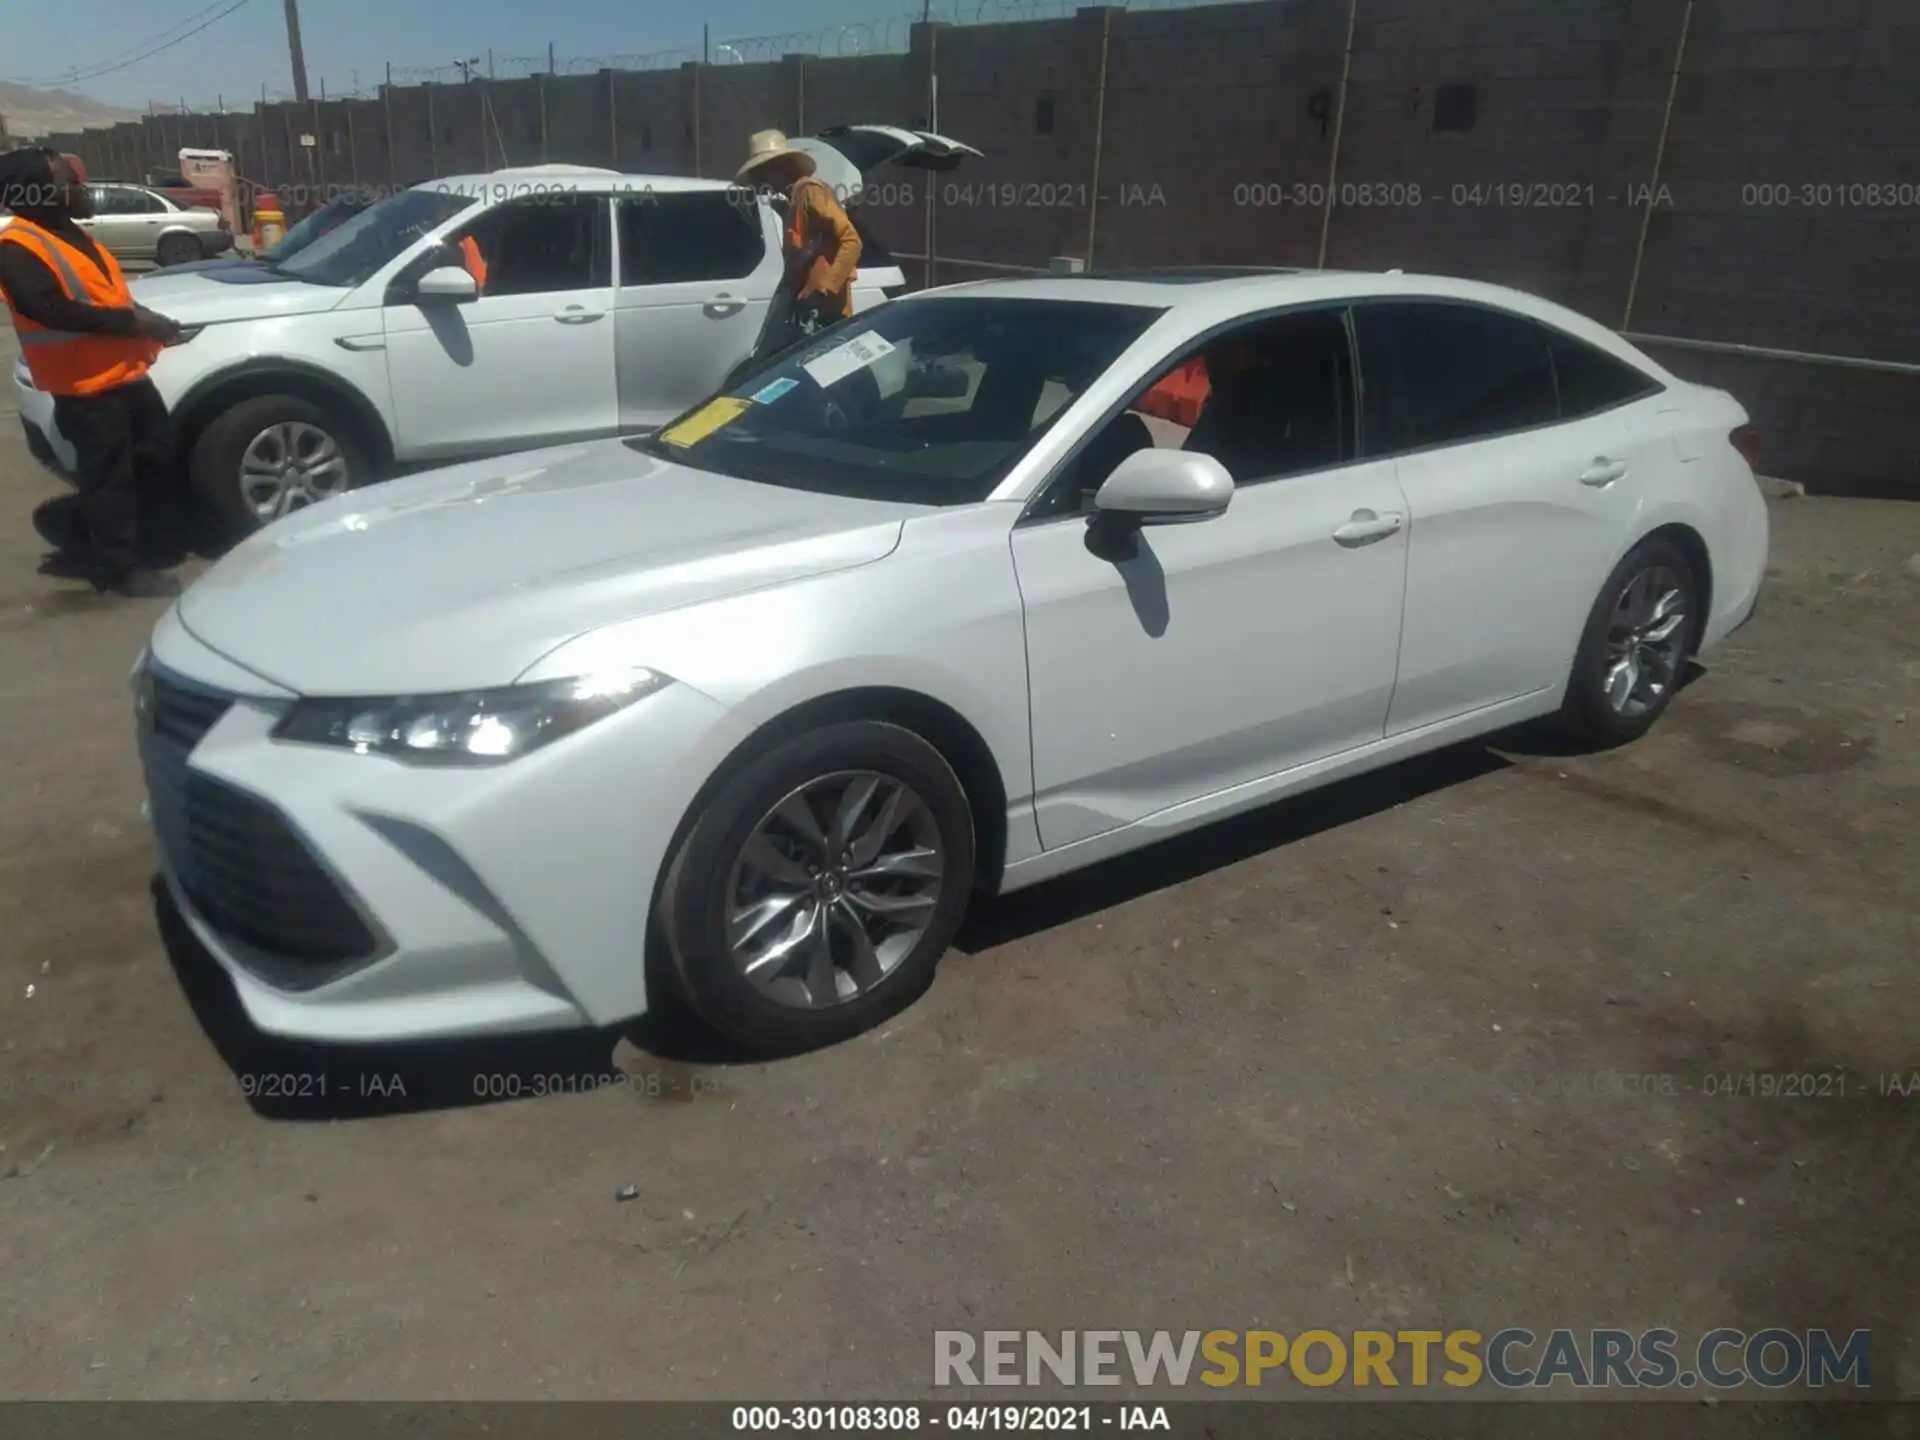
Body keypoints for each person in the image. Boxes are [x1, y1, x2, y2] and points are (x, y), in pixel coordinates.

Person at [0, 147, 185, 596]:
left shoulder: (73, 236)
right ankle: (117, 568)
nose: (80, 190)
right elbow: (46, 308)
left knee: (155, 458)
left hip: (124, 377)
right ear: (39, 192)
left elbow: (109, 298)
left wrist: (149, 319)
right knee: (110, 480)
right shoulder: (17, 246)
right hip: (85, 388)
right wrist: (131, 322)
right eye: (68, 183)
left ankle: (134, 539)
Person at [733, 130, 862, 372]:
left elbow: (851, 240)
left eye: (762, 172)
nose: (759, 180)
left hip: (822, 317)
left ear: (779, 167)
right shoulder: (794, 199)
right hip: (805, 313)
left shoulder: (810, 191)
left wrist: (825, 288)